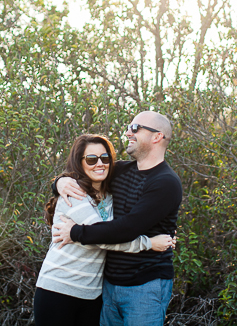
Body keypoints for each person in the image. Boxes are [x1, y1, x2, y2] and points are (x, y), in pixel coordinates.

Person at [52, 111, 182, 326]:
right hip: (109, 285)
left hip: (145, 286)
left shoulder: (165, 182)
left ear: (157, 137)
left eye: (135, 128)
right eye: (128, 127)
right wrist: (58, 183)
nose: (128, 133)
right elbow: (85, 174)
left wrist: (76, 233)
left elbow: (127, 228)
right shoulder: (121, 170)